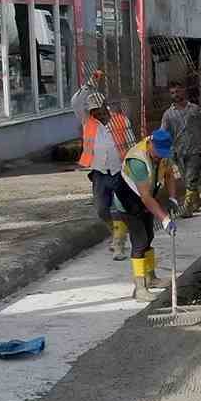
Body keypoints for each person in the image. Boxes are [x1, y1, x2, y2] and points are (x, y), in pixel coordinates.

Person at [114, 127, 181, 301]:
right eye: (158, 152)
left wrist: (173, 198)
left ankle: (151, 278)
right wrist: (165, 219)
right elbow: (145, 197)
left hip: (146, 198)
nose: (160, 156)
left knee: (149, 236)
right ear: (150, 143)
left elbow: (169, 175)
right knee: (140, 240)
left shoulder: (164, 154)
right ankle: (140, 288)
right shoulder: (137, 159)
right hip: (128, 201)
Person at [79, 92, 131, 261]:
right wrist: (87, 87)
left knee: (118, 209)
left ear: (105, 106)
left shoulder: (122, 121)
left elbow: (131, 143)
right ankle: (116, 234)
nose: (97, 114)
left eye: (99, 110)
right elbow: (75, 103)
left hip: (119, 170)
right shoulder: (89, 123)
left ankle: (119, 244)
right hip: (99, 172)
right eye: (93, 111)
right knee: (102, 210)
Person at [160, 83, 201, 217]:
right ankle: (197, 201)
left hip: (194, 150)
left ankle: (187, 208)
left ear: (183, 92)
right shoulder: (168, 114)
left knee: (191, 178)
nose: (176, 95)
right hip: (178, 152)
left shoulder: (194, 109)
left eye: (178, 92)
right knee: (186, 179)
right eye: (173, 93)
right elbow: (163, 132)